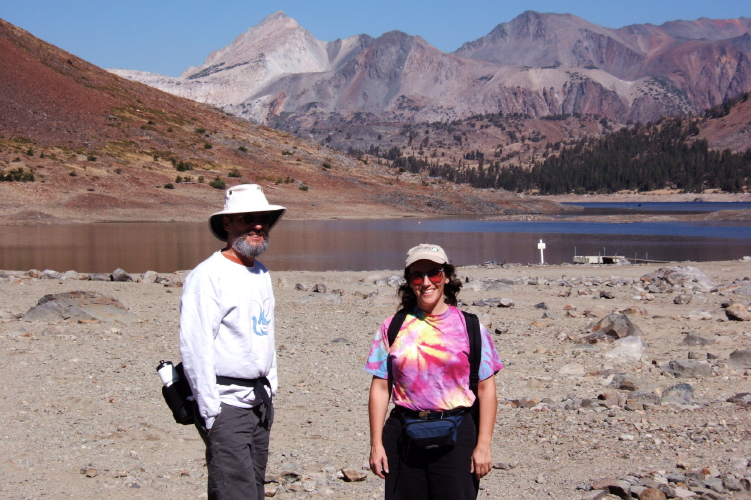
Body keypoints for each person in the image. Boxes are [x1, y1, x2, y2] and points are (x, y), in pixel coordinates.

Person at [365, 243, 504, 500]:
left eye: (434, 273)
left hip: (457, 431)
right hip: (404, 432)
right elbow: (381, 387)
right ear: (409, 281)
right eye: (417, 276)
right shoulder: (392, 327)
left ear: (446, 277)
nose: (426, 282)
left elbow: (486, 388)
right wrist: (376, 444)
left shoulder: (471, 327)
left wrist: (483, 444)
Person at [180, 184, 286, 500]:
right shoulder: (208, 276)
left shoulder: (261, 272)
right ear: (228, 224)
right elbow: (194, 346)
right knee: (233, 491)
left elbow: (265, 333)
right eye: (247, 218)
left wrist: (272, 384)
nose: (258, 226)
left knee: (253, 488)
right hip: (225, 404)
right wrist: (211, 410)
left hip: (259, 402)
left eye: (263, 220)